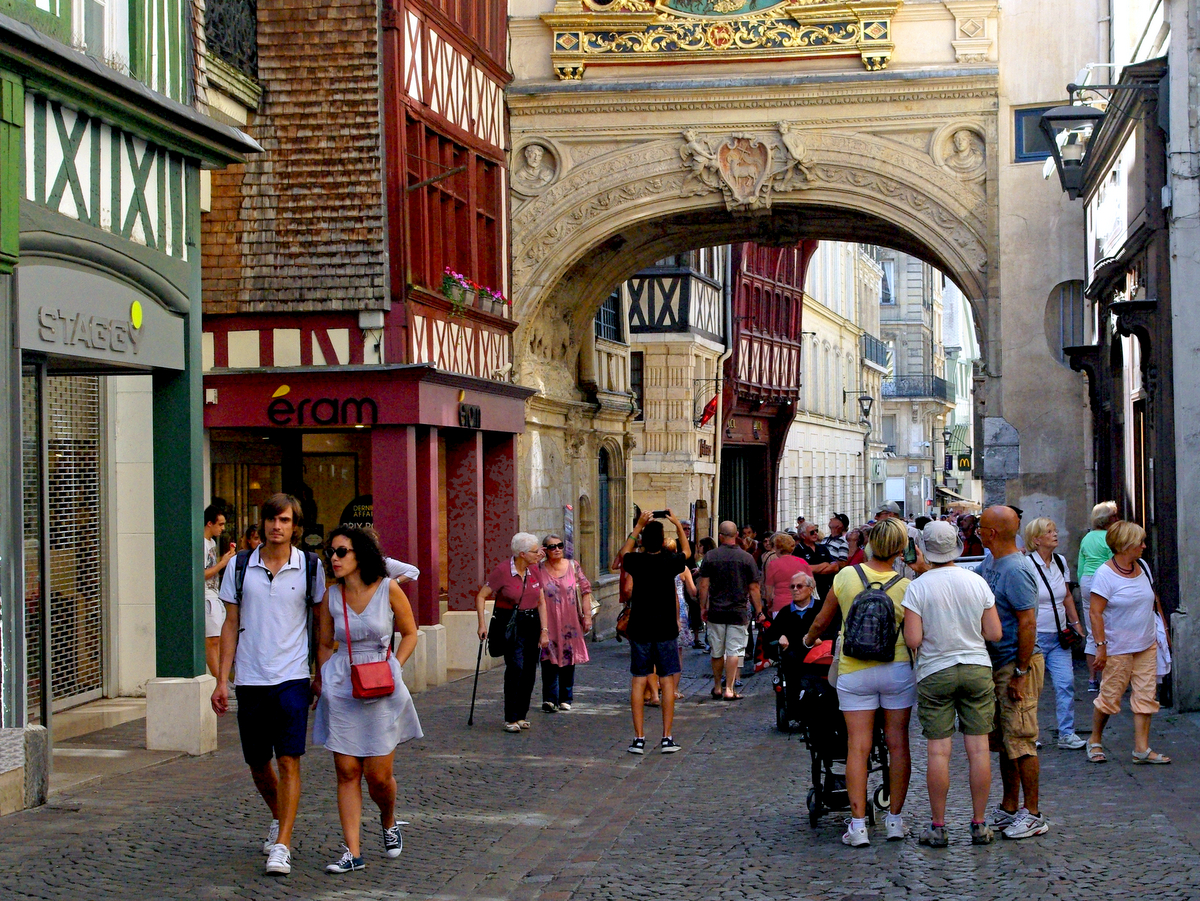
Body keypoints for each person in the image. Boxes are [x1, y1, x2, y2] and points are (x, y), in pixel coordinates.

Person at [211, 493, 326, 876]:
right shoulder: (241, 567)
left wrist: (321, 672)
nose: (278, 526)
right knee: (258, 764)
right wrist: (221, 680)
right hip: (250, 677)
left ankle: (283, 845)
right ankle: (280, 816)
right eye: (272, 519)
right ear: (262, 524)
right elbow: (229, 623)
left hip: (292, 676)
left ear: (296, 526)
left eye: (285, 520)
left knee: (289, 759)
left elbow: (322, 623)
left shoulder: (310, 566)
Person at [312, 526, 422, 874]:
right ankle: (353, 852)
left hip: (381, 683)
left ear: (360, 554)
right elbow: (325, 643)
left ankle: (388, 821)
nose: (334, 558)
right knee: (346, 770)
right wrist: (325, 677)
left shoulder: (387, 588)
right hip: (344, 684)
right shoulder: (332, 596)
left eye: (341, 551)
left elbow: (409, 633)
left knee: (378, 775)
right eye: (331, 552)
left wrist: (395, 666)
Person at [802, 518, 914, 847]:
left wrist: (808, 641)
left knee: (858, 747)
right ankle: (894, 821)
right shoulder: (906, 585)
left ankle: (858, 826)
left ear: (868, 544)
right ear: (899, 549)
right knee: (898, 745)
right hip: (896, 670)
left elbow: (823, 620)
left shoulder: (847, 576)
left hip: (854, 669)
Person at [902, 521, 1003, 847]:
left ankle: (939, 826)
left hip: (936, 671)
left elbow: (913, 638)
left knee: (938, 752)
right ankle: (979, 823)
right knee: (979, 750)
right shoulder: (976, 582)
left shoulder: (918, 587)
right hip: (975, 667)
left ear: (924, 550)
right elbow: (994, 634)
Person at [977, 505, 1047, 840]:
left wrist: (1020, 672)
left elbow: (1027, 623)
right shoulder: (990, 562)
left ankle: (1033, 813)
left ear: (992, 534)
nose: (976, 530)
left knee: (1021, 738)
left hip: (1016, 663)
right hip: (997, 662)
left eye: (980, 527)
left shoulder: (1017, 569)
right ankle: (1009, 806)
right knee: (1005, 741)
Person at [1087, 521, 1171, 765]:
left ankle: (1141, 749)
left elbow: (1153, 600)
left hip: (1146, 644)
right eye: (1140, 542)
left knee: (1146, 696)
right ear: (1125, 545)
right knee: (1109, 697)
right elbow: (1095, 612)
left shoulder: (1142, 565)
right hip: (1117, 648)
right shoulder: (1105, 574)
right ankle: (1094, 740)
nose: (1144, 546)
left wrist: (1163, 630)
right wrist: (1101, 646)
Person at [619, 510, 690, 754]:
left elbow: (623, 553)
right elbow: (687, 553)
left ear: (642, 541)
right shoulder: (669, 561)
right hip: (665, 628)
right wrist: (677, 526)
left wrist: (637, 527)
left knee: (639, 680)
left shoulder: (636, 562)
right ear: (662, 542)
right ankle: (667, 737)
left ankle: (638, 738)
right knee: (667, 680)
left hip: (640, 627)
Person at [475, 533, 549, 733]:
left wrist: (544, 631)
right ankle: (510, 717)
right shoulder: (502, 571)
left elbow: (541, 602)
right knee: (515, 667)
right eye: (535, 551)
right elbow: (481, 596)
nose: (539, 554)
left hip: (532, 622)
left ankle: (521, 715)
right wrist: (482, 624)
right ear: (522, 554)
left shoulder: (535, 571)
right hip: (510, 623)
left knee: (529, 670)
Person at [1024, 518, 1087, 750]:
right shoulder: (1027, 565)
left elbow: (1067, 596)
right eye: (1049, 532)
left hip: (1060, 635)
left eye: (1055, 530)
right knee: (1033, 689)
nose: (1055, 534)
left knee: (1066, 683)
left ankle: (1067, 733)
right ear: (1036, 539)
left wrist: (1076, 623)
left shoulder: (1060, 562)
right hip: (1036, 636)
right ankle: (1030, 733)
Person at [698, 521, 762, 702]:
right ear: (736, 536)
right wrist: (758, 610)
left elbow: (704, 584)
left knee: (717, 651)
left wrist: (703, 606)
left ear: (720, 536)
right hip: (738, 611)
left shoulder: (710, 557)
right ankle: (729, 688)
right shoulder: (746, 558)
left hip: (716, 610)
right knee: (734, 651)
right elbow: (754, 588)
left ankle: (717, 686)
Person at [538, 534, 593, 712]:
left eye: (559, 545)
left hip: (570, 620)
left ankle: (566, 697)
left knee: (568, 658)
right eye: (552, 547)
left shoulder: (573, 566)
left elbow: (585, 591)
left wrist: (587, 616)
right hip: (549, 621)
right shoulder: (538, 568)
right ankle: (549, 698)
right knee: (548, 658)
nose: (557, 549)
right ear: (545, 550)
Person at [763, 571, 820, 715]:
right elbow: (769, 636)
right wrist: (780, 636)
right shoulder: (785, 612)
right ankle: (795, 709)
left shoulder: (821, 609)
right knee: (790, 663)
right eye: (792, 587)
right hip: (793, 659)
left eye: (799, 586)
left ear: (811, 588)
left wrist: (821, 638)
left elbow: (834, 629)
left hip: (818, 657)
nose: (795, 589)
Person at [1078, 501, 1119, 690]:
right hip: (1104, 581)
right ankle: (1108, 677)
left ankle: (1092, 679)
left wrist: (1082, 583)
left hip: (1087, 580)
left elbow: (1081, 564)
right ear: (1107, 519)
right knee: (1108, 628)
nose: (1117, 519)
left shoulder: (1087, 538)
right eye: (1114, 516)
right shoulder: (1111, 537)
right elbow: (1116, 561)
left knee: (1091, 631)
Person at [203, 504, 235, 677]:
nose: (223, 528)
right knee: (212, 640)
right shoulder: (202, 544)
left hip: (215, 594)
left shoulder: (212, 543)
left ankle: (221, 677)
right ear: (209, 523)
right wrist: (222, 563)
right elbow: (202, 574)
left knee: (220, 638)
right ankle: (218, 679)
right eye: (220, 524)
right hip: (207, 596)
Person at [762, 532, 812, 614]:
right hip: (801, 606)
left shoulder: (773, 564)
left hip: (780, 606)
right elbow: (812, 584)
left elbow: (769, 590)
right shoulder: (802, 562)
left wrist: (769, 605)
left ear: (777, 547)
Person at [794, 521, 839, 602]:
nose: (815, 533)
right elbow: (801, 570)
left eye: (816, 531)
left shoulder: (822, 547)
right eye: (812, 532)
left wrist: (814, 570)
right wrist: (825, 564)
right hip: (810, 592)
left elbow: (835, 567)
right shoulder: (797, 550)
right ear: (803, 535)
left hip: (827, 589)